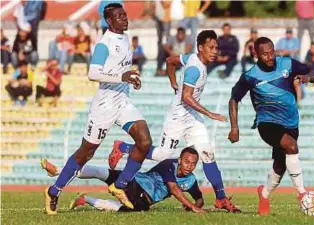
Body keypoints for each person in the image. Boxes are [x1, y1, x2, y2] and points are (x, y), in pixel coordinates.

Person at [109, 30, 241, 213]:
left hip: (192, 117)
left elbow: (171, 61)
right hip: (178, 116)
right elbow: (186, 97)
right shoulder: (195, 69)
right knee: (163, 154)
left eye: (216, 48)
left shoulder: (191, 58)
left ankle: (221, 199)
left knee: (207, 153)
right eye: (211, 48)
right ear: (200, 48)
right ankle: (123, 147)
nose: (215, 51)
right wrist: (210, 114)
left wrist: (173, 82)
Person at [44, 3, 153, 215]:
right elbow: (93, 73)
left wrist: (130, 77)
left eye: (125, 15)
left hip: (122, 102)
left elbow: (120, 67)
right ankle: (54, 190)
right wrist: (122, 76)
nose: (124, 18)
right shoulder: (105, 43)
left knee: (144, 141)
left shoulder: (125, 37)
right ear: (109, 21)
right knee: (86, 153)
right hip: (104, 107)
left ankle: (120, 185)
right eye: (119, 17)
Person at [228, 37, 314, 216]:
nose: (270, 57)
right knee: (291, 146)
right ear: (255, 54)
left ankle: (264, 194)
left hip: (291, 122)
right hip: (267, 123)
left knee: (280, 165)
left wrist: (307, 77)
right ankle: (302, 194)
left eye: (272, 52)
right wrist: (234, 128)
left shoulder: (287, 63)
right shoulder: (250, 76)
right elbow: (234, 99)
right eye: (265, 54)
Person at [41, 147, 205, 213]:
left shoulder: (191, 181)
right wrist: (192, 207)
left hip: (145, 200)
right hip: (136, 182)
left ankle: (84, 199)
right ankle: (58, 171)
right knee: (102, 172)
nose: (189, 166)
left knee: (124, 210)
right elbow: (174, 189)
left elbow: (199, 197)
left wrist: (194, 206)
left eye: (193, 164)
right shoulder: (169, 164)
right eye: (186, 161)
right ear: (180, 159)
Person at [150, 1, 172, 76]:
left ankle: (167, 68)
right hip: (158, 18)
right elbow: (153, 4)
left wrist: (161, 2)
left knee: (166, 43)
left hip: (166, 19)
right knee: (160, 44)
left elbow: (167, 4)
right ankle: (159, 68)